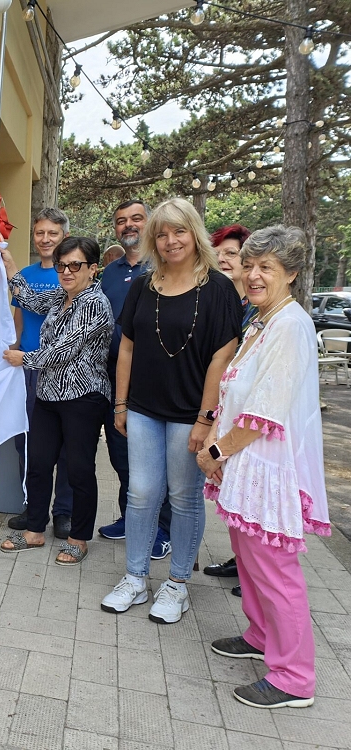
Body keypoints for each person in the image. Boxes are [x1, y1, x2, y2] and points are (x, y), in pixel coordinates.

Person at [197, 225, 328, 709]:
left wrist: (214, 453)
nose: (253, 275)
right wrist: (215, 441)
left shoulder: (290, 325)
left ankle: (294, 677)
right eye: (249, 264)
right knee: (249, 562)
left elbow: (264, 412)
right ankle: (260, 635)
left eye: (266, 267)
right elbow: (233, 392)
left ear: (290, 274)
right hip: (243, 463)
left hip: (267, 467)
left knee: (275, 572)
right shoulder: (261, 320)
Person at [101, 197, 241, 624]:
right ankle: (135, 577)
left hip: (190, 413)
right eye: (161, 234)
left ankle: (178, 584)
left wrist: (205, 419)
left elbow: (222, 357)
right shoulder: (143, 286)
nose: (170, 240)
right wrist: (121, 403)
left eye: (179, 231)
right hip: (143, 408)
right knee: (141, 493)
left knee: (183, 497)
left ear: (194, 233)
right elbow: (127, 348)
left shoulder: (217, 288)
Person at [0, 237, 113, 565]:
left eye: (75, 265)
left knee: (78, 469)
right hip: (49, 395)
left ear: (93, 268)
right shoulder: (61, 296)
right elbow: (31, 299)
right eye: (62, 265)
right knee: (39, 463)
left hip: (83, 397)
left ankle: (79, 538)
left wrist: (24, 358)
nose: (66, 271)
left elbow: (64, 350)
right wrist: (10, 265)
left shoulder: (94, 303)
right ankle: (35, 530)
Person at [97, 200, 172, 561]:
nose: (129, 225)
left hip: (154, 380)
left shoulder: (164, 267)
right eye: (121, 221)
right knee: (120, 452)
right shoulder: (110, 273)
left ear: (150, 223)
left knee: (156, 459)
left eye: (136, 219)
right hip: (113, 377)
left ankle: (163, 529)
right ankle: (131, 517)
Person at [7, 208, 75, 540]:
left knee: (64, 447)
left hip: (60, 371)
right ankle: (32, 507)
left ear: (64, 236)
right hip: (26, 370)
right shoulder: (26, 273)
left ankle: (63, 512)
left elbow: (36, 303)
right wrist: (12, 349)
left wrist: (9, 266)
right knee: (28, 443)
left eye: (52, 233)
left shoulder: (70, 275)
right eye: (39, 233)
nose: (45, 239)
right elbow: (19, 319)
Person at [203, 223, 254, 596]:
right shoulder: (223, 301)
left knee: (250, 492)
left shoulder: (257, 309)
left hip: (250, 417)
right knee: (230, 489)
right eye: (218, 252)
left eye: (231, 253)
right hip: (223, 409)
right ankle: (242, 562)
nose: (223, 259)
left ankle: (253, 572)